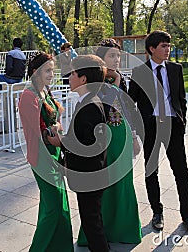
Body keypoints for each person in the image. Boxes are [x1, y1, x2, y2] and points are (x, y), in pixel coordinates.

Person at [128, 30, 188, 235]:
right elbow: (131, 102)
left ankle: (187, 215)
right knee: (152, 171)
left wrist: (182, 120)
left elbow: (181, 99)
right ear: (152, 49)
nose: (168, 49)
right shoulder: (140, 72)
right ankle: (156, 212)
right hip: (150, 128)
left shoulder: (176, 69)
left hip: (172, 127)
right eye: (164, 46)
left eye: (169, 46)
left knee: (181, 172)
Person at [77, 38, 142, 246]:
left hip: (121, 136)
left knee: (123, 185)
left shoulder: (122, 79)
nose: (116, 60)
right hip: (104, 138)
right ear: (101, 59)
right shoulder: (96, 82)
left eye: (118, 55)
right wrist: (112, 83)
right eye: (111, 56)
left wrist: (133, 136)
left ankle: (124, 230)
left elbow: (126, 109)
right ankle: (97, 233)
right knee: (103, 187)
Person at [48, 55, 109, 252]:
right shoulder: (88, 101)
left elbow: (88, 145)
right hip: (92, 173)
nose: (70, 76)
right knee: (93, 219)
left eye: (73, 73)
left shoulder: (90, 105)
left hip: (89, 175)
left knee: (92, 224)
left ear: (83, 79)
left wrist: (60, 141)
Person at [18, 52, 74, 252]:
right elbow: (39, 131)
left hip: (54, 152)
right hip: (42, 156)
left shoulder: (44, 92)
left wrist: (56, 128)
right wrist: (55, 131)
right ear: (35, 72)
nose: (52, 73)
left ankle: (58, 247)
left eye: (53, 69)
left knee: (56, 203)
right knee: (54, 207)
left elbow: (55, 122)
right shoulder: (28, 95)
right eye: (48, 70)